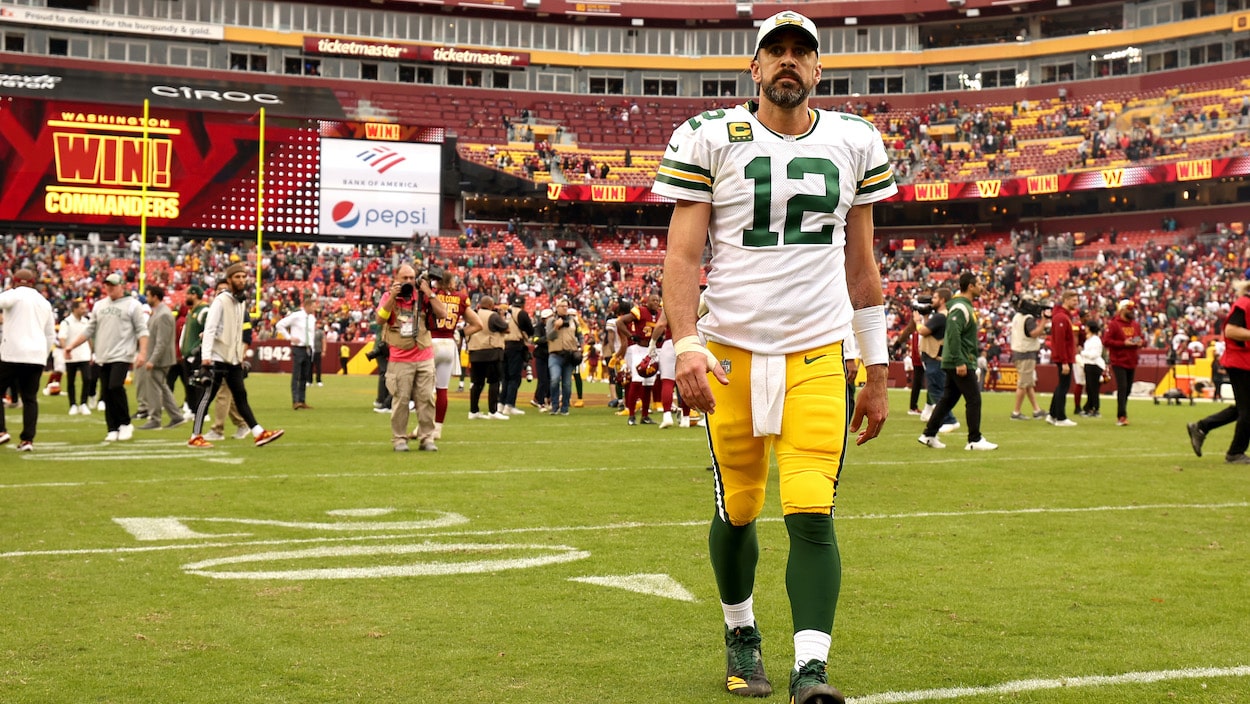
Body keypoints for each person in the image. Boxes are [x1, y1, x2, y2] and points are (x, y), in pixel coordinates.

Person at [656, 10, 893, 701]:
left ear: (818, 70)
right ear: (754, 68)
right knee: (739, 507)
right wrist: (686, 343)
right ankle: (741, 631)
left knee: (812, 511)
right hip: (729, 350)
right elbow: (681, 253)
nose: (788, 62)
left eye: (802, 53)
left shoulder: (855, 140)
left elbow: (863, 266)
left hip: (819, 353)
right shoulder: (710, 137)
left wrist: (875, 372)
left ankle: (811, 668)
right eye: (775, 52)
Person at [186, 263, 284, 448]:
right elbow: (210, 329)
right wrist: (206, 359)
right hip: (216, 357)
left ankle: (258, 432)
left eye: (243, 276)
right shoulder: (221, 300)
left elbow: (238, 332)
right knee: (208, 397)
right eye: (237, 277)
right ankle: (195, 436)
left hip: (232, 359)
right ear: (229, 279)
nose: (241, 280)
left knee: (240, 396)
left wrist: (239, 357)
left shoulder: (241, 301)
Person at [919, 272, 998, 451]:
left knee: (948, 399)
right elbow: (953, 333)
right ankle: (974, 440)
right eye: (978, 283)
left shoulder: (962, 306)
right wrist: (960, 361)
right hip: (960, 360)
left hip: (957, 359)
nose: (981, 286)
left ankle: (929, 434)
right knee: (974, 399)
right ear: (970, 286)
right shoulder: (960, 308)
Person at [65, 272, 148, 442]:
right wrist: (71, 346)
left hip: (122, 354)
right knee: (106, 391)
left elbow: (142, 330)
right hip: (103, 354)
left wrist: (143, 352)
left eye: (113, 285)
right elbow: (89, 329)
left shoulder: (133, 305)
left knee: (115, 386)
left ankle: (125, 423)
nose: (109, 288)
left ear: (121, 286)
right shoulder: (99, 305)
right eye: (107, 285)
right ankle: (112, 427)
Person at [377, 264, 447, 452]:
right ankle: (399, 439)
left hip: (424, 355)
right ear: (397, 278)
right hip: (400, 357)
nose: (408, 282)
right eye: (404, 278)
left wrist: (429, 292)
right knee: (401, 400)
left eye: (411, 278)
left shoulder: (423, 296)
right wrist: (393, 296)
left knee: (426, 399)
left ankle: (426, 438)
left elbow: (443, 314)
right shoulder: (388, 296)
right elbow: (380, 319)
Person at [1188, 281, 1250, 463]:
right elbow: (1230, 330)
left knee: (1243, 408)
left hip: (1244, 362)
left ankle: (1201, 427)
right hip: (1241, 362)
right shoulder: (1245, 303)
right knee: (1248, 411)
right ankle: (1235, 452)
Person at [0, 269, 55, 451]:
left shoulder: (14, 295)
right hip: (36, 356)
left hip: (12, 353)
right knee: (30, 399)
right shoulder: (44, 302)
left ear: (15, 281)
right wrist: (43, 355)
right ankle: (27, 440)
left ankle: (1, 431)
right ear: (33, 282)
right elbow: (50, 335)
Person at [430, 270, 481, 436]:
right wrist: (460, 333)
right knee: (442, 389)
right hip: (449, 344)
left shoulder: (432, 294)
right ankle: (438, 428)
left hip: (431, 341)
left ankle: (425, 426)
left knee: (426, 390)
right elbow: (477, 324)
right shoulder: (460, 298)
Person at [137, 285, 186, 430]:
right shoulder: (159, 312)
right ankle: (176, 416)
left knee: (154, 390)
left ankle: (155, 419)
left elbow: (162, 341)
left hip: (160, 359)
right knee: (162, 388)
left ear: (155, 296)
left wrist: (152, 359)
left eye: (148, 295)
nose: (147, 298)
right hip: (158, 358)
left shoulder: (163, 314)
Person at [914, 288, 959, 433]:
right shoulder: (942, 316)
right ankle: (943, 418)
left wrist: (917, 321)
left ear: (942, 300)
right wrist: (926, 317)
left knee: (937, 391)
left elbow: (923, 331)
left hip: (935, 358)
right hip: (935, 357)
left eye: (934, 298)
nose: (931, 301)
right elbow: (929, 329)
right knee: (937, 390)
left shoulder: (940, 317)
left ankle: (950, 419)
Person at [466, 295, 510, 420]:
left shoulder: (473, 314)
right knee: (494, 382)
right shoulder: (493, 316)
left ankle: (473, 411)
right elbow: (506, 328)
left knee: (477, 383)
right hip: (491, 352)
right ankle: (492, 411)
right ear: (491, 305)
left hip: (475, 352)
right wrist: (501, 316)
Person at [1103, 299, 1143, 426]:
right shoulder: (1114, 324)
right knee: (1122, 387)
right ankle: (1121, 415)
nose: (1131, 312)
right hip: (1118, 360)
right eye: (1129, 309)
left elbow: (1140, 337)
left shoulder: (1135, 325)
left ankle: (1123, 413)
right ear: (1122, 310)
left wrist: (1139, 342)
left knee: (1128, 389)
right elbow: (1106, 341)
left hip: (1132, 360)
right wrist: (1123, 343)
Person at [1009, 297, 1049, 420]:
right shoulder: (1028, 319)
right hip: (1026, 353)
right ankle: (1016, 412)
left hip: (1018, 352)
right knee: (1023, 384)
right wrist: (1044, 321)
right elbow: (1034, 333)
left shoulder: (1017, 317)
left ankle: (1036, 409)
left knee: (1028, 384)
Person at [276, 293, 317, 410]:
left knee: (305, 375)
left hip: (308, 349)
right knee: (296, 375)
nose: (315, 309)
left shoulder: (312, 318)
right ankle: (295, 401)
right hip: (298, 348)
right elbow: (280, 325)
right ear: (307, 306)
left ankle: (302, 400)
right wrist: (289, 337)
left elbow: (311, 335)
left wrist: (312, 348)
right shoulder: (296, 316)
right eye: (313, 306)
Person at [1046, 290, 1079, 427]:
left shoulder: (1063, 316)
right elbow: (1060, 342)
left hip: (1064, 357)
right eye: (1073, 300)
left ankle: (1053, 414)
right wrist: (1065, 361)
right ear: (1065, 300)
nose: (1076, 303)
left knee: (1062, 385)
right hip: (1063, 358)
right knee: (1064, 386)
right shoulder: (1061, 317)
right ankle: (1060, 416)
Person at [545, 298, 582, 416]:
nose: (565, 308)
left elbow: (580, 335)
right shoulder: (551, 321)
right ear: (557, 308)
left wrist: (580, 347)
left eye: (566, 306)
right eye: (562, 306)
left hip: (569, 355)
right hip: (555, 355)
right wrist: (556, 327)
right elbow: (549, 337)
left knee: (567, 383)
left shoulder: (573, 321)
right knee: (555, 379)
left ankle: (565, 407)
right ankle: (554, 406)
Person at [58, 298, 94, 416]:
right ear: (75, 309)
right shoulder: (66, 322)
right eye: (82, 308)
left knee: (87, 378)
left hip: (84, 354)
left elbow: (88, 338)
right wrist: (66, 350)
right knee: (71, 381)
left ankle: (83, 403)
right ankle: (73, 404)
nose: (84, 310)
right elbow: (62, 338)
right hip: (72, 356)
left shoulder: (86, 321)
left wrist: (92, 352)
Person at [500, 294, 533, 416]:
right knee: (514, 377)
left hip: (503, 345)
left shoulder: (504, 312)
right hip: (515, 345)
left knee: (505, 377)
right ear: (523, 304)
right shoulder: (521, 314)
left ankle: (501, 404)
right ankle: (509, 405)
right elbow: (530, 330)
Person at [179, 285, 208, 414]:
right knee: (188, 384)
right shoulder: (192, 312)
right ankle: (192, 410)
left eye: (188, 294)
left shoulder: (204, 311)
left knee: (198, 384)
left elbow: (208, 332)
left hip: (197, 353)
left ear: (195, 295)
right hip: (188, 354)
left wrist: (198, 348)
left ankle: (202, 412)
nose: (186, 297)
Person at [1078, 318, 1105, 417]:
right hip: (1088, 364)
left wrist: (1083, 353)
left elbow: (1095, 354)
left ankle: (1095, 408)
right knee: (1089, 388)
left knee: (1093, 388)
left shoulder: (1096, 340)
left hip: (1094, 365)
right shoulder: (1089, 339)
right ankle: (1089, 407)